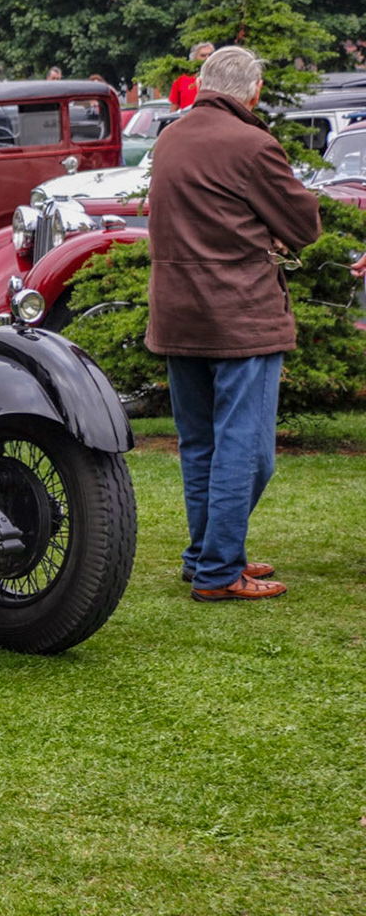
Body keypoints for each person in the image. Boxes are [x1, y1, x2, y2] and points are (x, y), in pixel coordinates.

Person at [147, 46, 338, 601]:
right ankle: (217, 570)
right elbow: (303, 225)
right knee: (247, 450)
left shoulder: (169, 139)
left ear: (204, 83)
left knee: (201, 443)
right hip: (239, 315)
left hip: (178, 313)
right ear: (252, 91)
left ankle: (204, 555)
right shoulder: (254, 144)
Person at [169, 41, 214, 109]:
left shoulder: (220, 76)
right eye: (203, 55)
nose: (207, 58)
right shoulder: (181, 78)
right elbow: (174, 107)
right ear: (194, 58)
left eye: (210, 55)